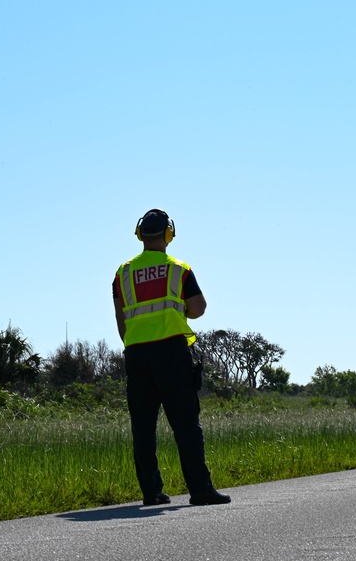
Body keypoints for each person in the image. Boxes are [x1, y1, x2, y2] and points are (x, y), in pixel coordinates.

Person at [113, 209, 230, 507]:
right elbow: (198, 308)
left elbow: (121, 320)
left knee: (143, 426)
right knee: (186, 423)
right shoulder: (179, 269)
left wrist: (136, 343)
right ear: (168, 234)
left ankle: (152, 492)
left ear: (140, 235)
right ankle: (200, 489)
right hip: (171, 352)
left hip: (137, 354)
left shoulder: (123, 273)